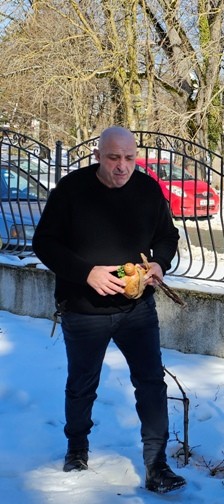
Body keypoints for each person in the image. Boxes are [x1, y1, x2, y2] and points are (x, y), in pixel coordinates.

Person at [31, 126, 186, 494]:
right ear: (98, 155)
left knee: (151, 384)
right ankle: (77, 449)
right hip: (84, 310)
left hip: (138, 310)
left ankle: (156, 465)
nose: (122, 167)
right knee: (82, 384)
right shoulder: (71, 190)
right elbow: (43, 243)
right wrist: (87, 273)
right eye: (114, 158)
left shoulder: (148, 189)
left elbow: (168, 235)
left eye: (130, 158)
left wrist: (159, 265)